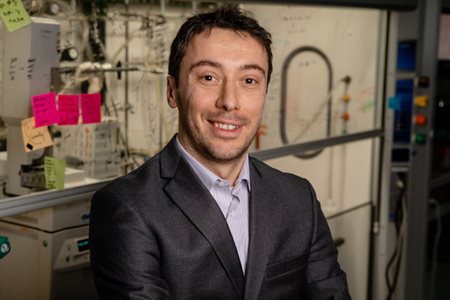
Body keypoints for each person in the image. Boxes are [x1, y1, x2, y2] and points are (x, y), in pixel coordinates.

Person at [89, 4, 351, 300]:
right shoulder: (127, 208)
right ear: (173, 91)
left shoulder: (297, 198)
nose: (229, 102)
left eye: (249, 80)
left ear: (264, 93)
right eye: (209, 78)